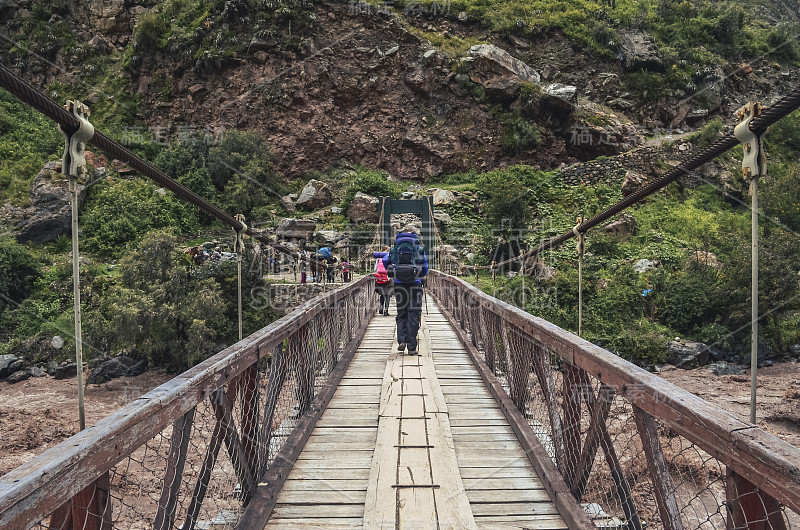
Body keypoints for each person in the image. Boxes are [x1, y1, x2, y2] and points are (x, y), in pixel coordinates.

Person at [384, 231, 428, 355]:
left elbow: (384, 260)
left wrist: (395, 271)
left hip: (399, 284)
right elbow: (425, 268)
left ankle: (402, 341)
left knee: (401, 313)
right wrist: (419, 275)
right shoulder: (419, 249)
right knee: (413, 314)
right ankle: (412, 347)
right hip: (415, 284)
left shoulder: (394, 249)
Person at [373, 246, 392, 315]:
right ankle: (386, 310)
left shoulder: (378, 258)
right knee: (388, 294)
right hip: (388, 277)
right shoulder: (389, 256)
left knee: (382, 294)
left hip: (380, 277)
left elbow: (375, 268)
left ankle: (381, 307)